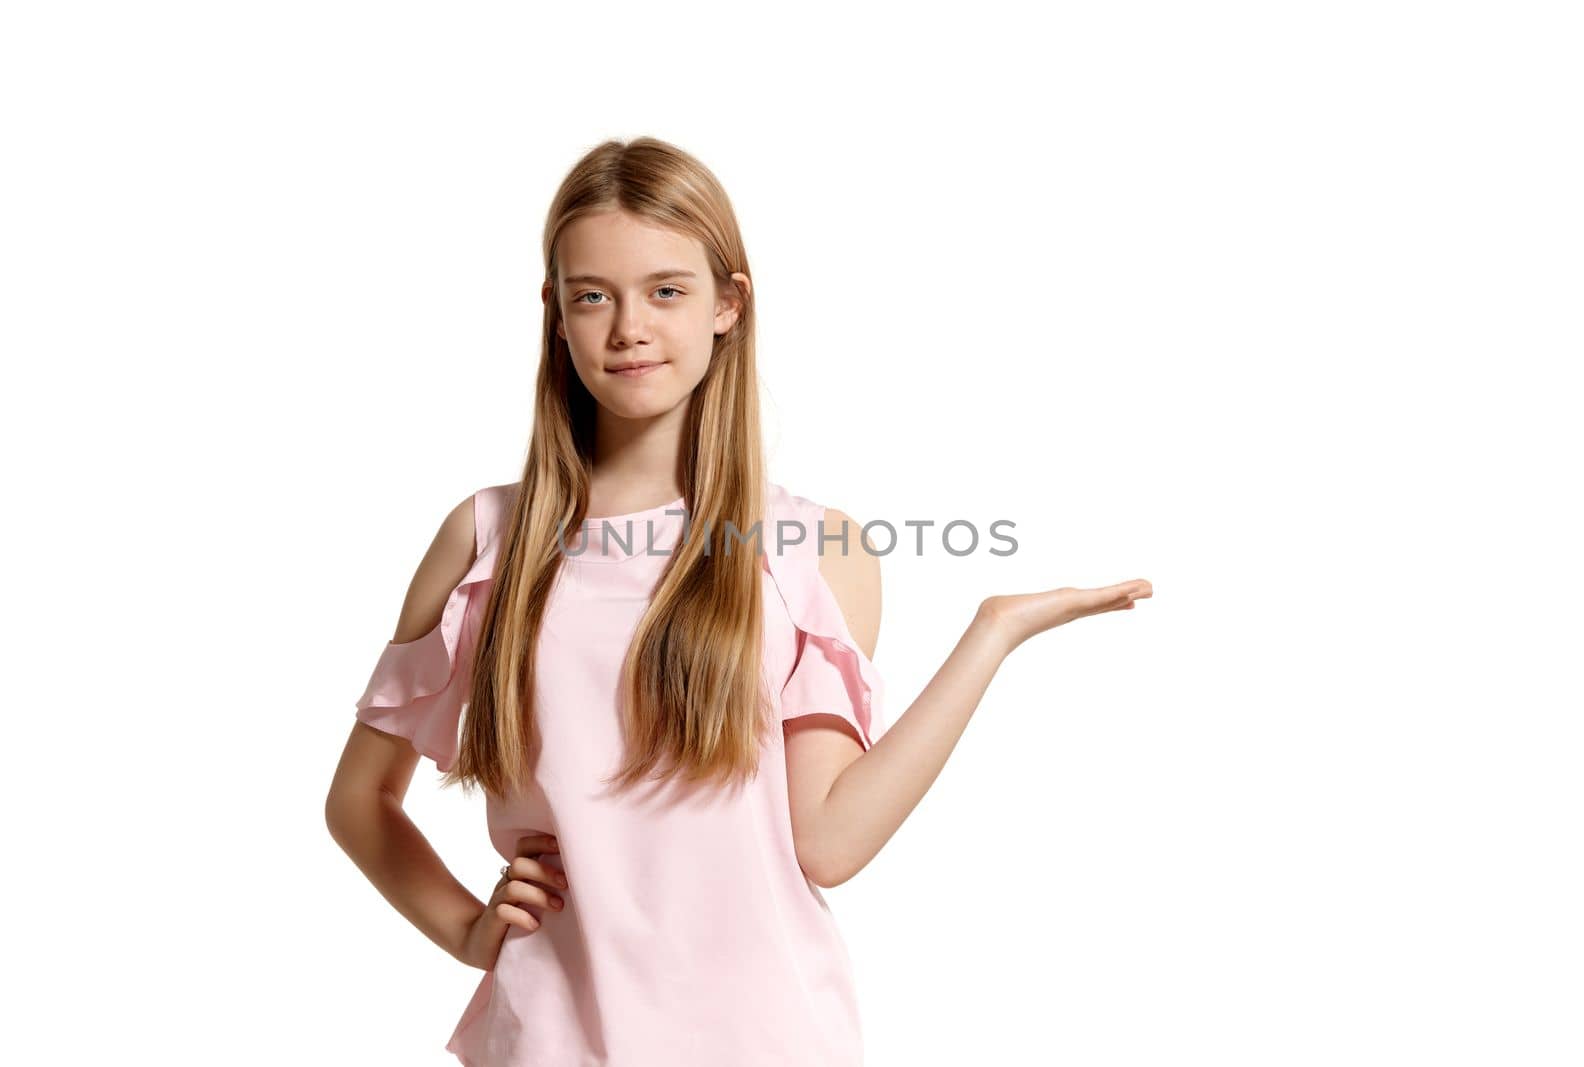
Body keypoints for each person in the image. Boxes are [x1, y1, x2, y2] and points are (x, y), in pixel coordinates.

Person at [325, 135, 1153, 1066]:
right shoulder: (486, 540)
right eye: (592, 294)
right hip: (553, 1039)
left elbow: (829, 841)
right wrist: (468, 928)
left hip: (769, 1038)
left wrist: (991, 634)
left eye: (666, 290)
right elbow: (361, 800)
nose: (628, 326)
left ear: (729, 303)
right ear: (555, 315)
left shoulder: (814, 547)